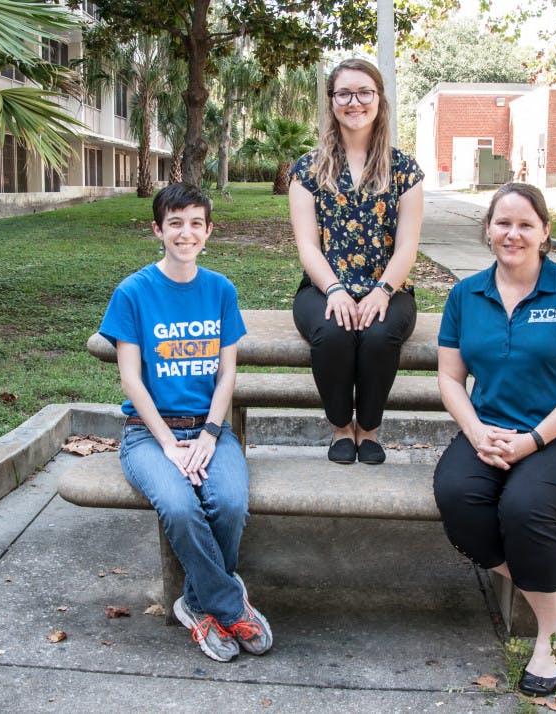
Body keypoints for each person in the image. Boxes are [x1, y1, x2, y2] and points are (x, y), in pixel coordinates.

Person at [432, 183, 556, 697]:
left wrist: (532, 440)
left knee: (524, 508)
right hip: (489, 431)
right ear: (488, 229)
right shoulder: (466, 294)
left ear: (545, 232)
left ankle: (550, 634)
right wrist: (475, 431)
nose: (513, 233)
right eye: (503, 223)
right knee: (457, 498)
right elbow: (451, 378)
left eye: (525, 224)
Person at [99, 183, 272, 664]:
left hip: (210, 428)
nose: (185, 232)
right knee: (179, 507)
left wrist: (211, 436)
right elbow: (132, 381)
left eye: (196, 222)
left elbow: (227, 374)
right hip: (148, 436)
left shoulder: (220, 290)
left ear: (209, 231)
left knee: (231, 502)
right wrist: (171, 447)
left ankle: (196, 604)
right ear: (157, 229)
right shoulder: (133, 292)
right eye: (175, 222)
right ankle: (230, 606)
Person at [288, 58, 424, 466]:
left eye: (364, 92)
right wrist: (335, 290)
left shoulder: (404, 170)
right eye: (344, 93)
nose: (355, 102)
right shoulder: (307, 169)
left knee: (379, 336)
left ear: (379, 100)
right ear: (331, 102)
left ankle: (369, 430)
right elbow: (308, 246)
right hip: (322, 287)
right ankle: (340, 430)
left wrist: (382, 291)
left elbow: (407, 247)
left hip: (390, 287)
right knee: (334, 332)